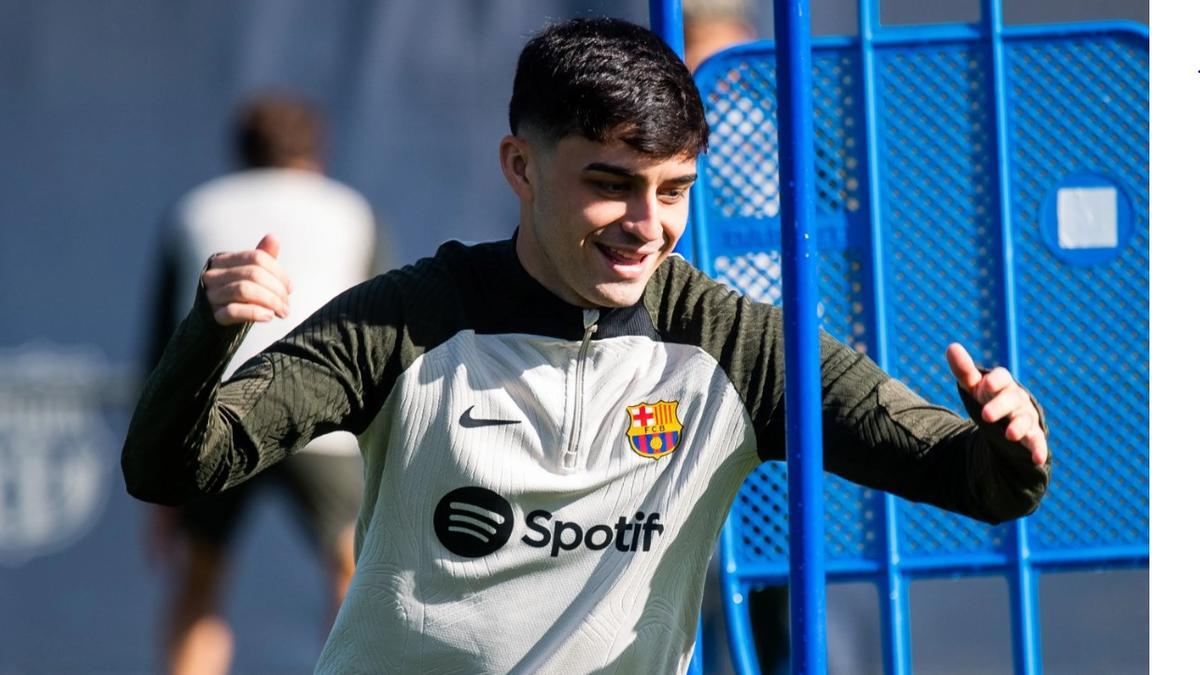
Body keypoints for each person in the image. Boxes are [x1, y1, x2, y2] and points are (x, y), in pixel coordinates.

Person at [123, 18, 1049, 674]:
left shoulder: (738, 343)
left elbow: (964, 476)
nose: (648, 225)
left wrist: (1009, 448)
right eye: (612, 185)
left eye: (675, 189)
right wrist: (209, 337)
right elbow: (174, 464)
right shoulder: (408, 317)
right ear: (521, 168)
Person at [142, 93, 377, 675]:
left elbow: (164, 349)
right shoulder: (351, 210)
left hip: (214, 415)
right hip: (323, 419)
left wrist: (159, 479)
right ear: (315, 155)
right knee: (355, 584)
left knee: (198, 587)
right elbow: (381, 336)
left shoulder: (196, 210)